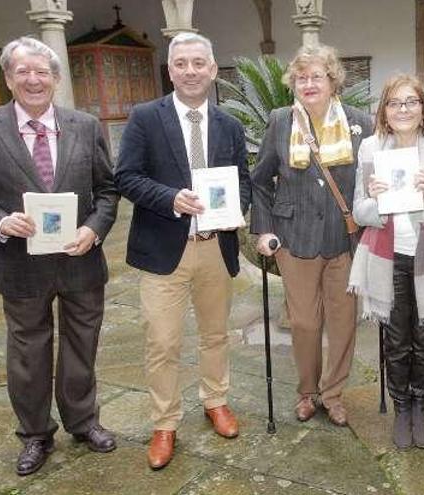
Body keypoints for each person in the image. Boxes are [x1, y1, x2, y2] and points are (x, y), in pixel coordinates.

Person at [0, 37, 119, 476]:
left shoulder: (85, 125)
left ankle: (84, 422)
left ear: (56, 78)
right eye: (22, 72)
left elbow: (107, 191)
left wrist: (93, 229)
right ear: (8, 78)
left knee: (81, 346)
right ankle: (34, 434)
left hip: (80, 260)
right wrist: (0, 222)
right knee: (28, 353)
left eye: (42, 72)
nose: (33, 79)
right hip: (21, 266)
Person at [115, 32, 251, 470]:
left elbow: (243, 181)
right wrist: (170, 198)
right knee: (163, 341)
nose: (190, 71)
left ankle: (216, 400)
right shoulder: (144, 118)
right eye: (181, 64)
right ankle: (165, 422)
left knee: (215, 334)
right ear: (170, 69)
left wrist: (237, 209)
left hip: (215, 247)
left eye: (198, 63)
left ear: (212, 69)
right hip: (163, 251)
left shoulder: (229, 124)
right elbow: (127, 177)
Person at [251, 44, 372, 427]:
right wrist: (265, 229)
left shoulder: (360, 123)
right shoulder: (280, 121)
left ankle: (333, 393)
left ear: (332, 80)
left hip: (344, 239)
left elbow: (370, 181)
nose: (308, 83)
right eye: (301, 77)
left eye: (316, 76)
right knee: (303, 322)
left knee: (343, 322)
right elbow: (260, 181)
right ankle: (307, 392)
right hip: (294, 238)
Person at [348, 75, 424, 449]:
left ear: (422, 108)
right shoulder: (370, 148)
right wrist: (376, 199)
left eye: (411, 102)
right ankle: (401, 408)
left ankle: (420, 405)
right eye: (394, 103)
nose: (403, 109)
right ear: (383, 110)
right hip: (388, 258)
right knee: (397, 341)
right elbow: (359, 212)